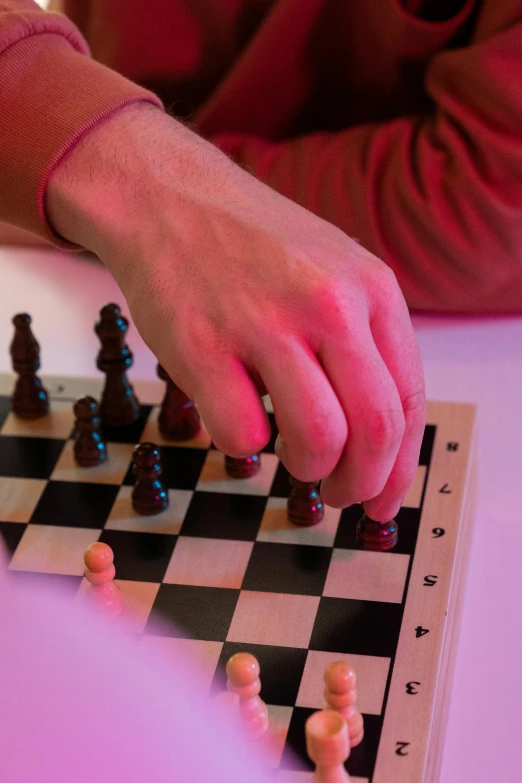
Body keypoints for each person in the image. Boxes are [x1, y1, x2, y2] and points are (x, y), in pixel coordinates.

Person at [3, 0, 519, 520]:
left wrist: (125, 177)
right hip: (96, 268)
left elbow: (493, 195)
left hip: (440, 348)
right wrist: (104, 168)